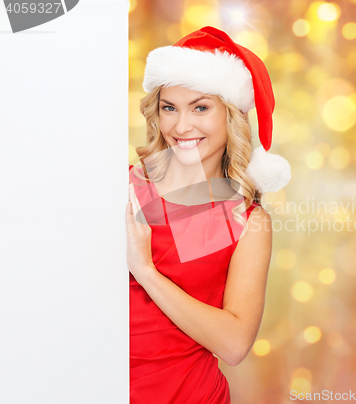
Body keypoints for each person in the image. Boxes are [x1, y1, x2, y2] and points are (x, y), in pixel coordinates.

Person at [125, 26, 291, 403]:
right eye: (170, 107)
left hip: (189, 394)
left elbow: (234, 345)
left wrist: (145, 271)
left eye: (200, 107)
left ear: (231, 115)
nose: (181, 127)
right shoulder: (125, 186)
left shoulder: (246, 219)